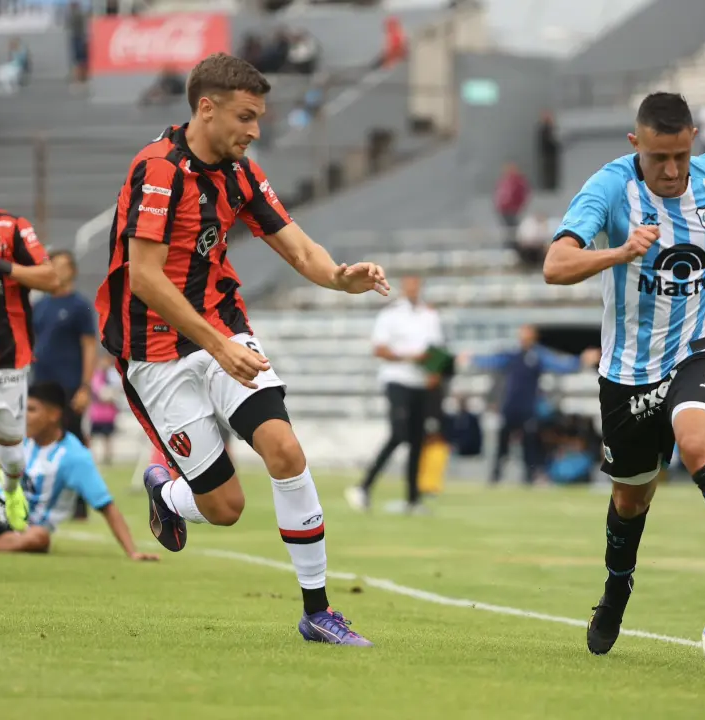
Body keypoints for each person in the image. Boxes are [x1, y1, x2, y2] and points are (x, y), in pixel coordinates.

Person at [93, 53, 387, 646]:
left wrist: (339, 277)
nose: (255, 131)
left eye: (259, 119)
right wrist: (217, 347)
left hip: (222, 327)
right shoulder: (157, 170)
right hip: (154, 350)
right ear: (206, 108)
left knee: (284, 449)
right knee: (225, 507)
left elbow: (300, 250)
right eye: (246, 117)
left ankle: (317, 611)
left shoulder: (241, 172)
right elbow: (147, 278)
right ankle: (169, 492)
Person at [544, 92, 705, 655]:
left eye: (682, 155)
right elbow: (555, 265)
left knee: (698, 442)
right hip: (629, 372)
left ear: (693, 143)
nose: (673, 169)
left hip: (701, 347)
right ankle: (615, 593)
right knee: (631, 499)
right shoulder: (609, 188)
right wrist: (619, 253)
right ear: (636, 145)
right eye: (660, 157)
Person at [0, 382, 158, 571]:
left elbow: (107, 506)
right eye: (22, 409)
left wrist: (132, 552)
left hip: (26, 528)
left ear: (53, 414)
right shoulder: (17, 433)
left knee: (39, 538)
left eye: (32, 410)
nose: (24, 416)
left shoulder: (74, 457)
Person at [0, 153, 59, 534]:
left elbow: (52, 278)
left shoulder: (11, 228)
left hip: (7, 361)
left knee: (12, 452)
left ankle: (12, 488)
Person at [346, 276, 443, 514]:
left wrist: (435, 371)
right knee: (399, 434)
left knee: (418, 440)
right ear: (403, 287)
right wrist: (411, 357)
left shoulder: (430, 315)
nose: (413, 288)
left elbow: (437, 350)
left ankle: (412, 499)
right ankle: (363, 487)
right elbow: (379, 349)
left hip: (420, 383)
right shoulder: (390, 314)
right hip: (397, 380)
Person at [461, 325, 582, 485]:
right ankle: (495, 476)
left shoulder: (539, 356)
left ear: (533, 337)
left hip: (528, 407)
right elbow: (493, 361)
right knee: (502, 444)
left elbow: (560, 365)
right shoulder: (512, 354)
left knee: (529, 444)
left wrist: (580, 361)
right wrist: (473, 358)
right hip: (510, 406)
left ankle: (529, 477)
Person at [32, 250, 97, 519]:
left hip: (69, 386)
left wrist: (85, 387)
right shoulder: (40, 306)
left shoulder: (79, 306)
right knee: (40, 440)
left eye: (62, 266)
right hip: (42, 384)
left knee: (73, 440)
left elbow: (89, 347)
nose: (57, 271)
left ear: (73, 271)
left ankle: (82, 502)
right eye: (52, 266)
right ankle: (41, 499)